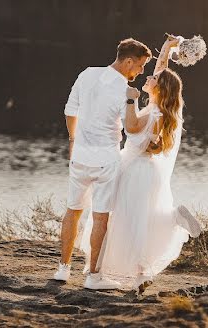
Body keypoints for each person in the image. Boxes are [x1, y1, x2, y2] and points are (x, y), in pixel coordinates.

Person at [95, 35, 202, 293]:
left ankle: (139, 268)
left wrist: (130, 99)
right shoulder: (161, 109)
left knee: (131, 220)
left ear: (158, 89)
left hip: (136, 170)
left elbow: (131, 127)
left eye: (152, 80)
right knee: (144, 219)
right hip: (147, 169)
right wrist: (167, 48)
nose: (148, 78)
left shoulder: (153, 113)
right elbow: (162, 72)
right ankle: (142, 271)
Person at [52, 38, 152, 289]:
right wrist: (139, 105)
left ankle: (63, 270)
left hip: (80, 155)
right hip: (106, 159)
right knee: (100, 218)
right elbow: (131, 127)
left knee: (72, 211)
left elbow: (69, 110)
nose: (140, 72)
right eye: (139, 66)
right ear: (129, 61)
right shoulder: (126, 90)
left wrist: (73, 140)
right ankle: (93, 277)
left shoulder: (87, 74)